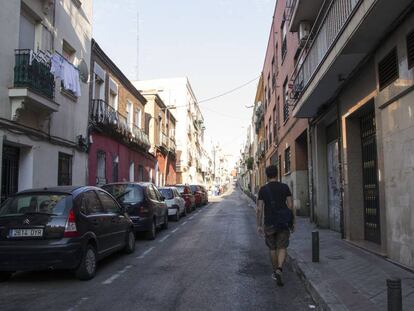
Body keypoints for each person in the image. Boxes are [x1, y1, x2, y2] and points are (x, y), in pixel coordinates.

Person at [256, 165, 295, 286]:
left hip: (269, 222)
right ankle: (280, 269)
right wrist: (293, 222)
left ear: (267, 175)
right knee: (282, 247)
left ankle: (275, 271)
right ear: (277, 174)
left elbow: (259, 209)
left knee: (272, 248)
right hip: (283, 222)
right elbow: (290, 205)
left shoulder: (263, 190)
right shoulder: (285, 187)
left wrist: (259, 224)